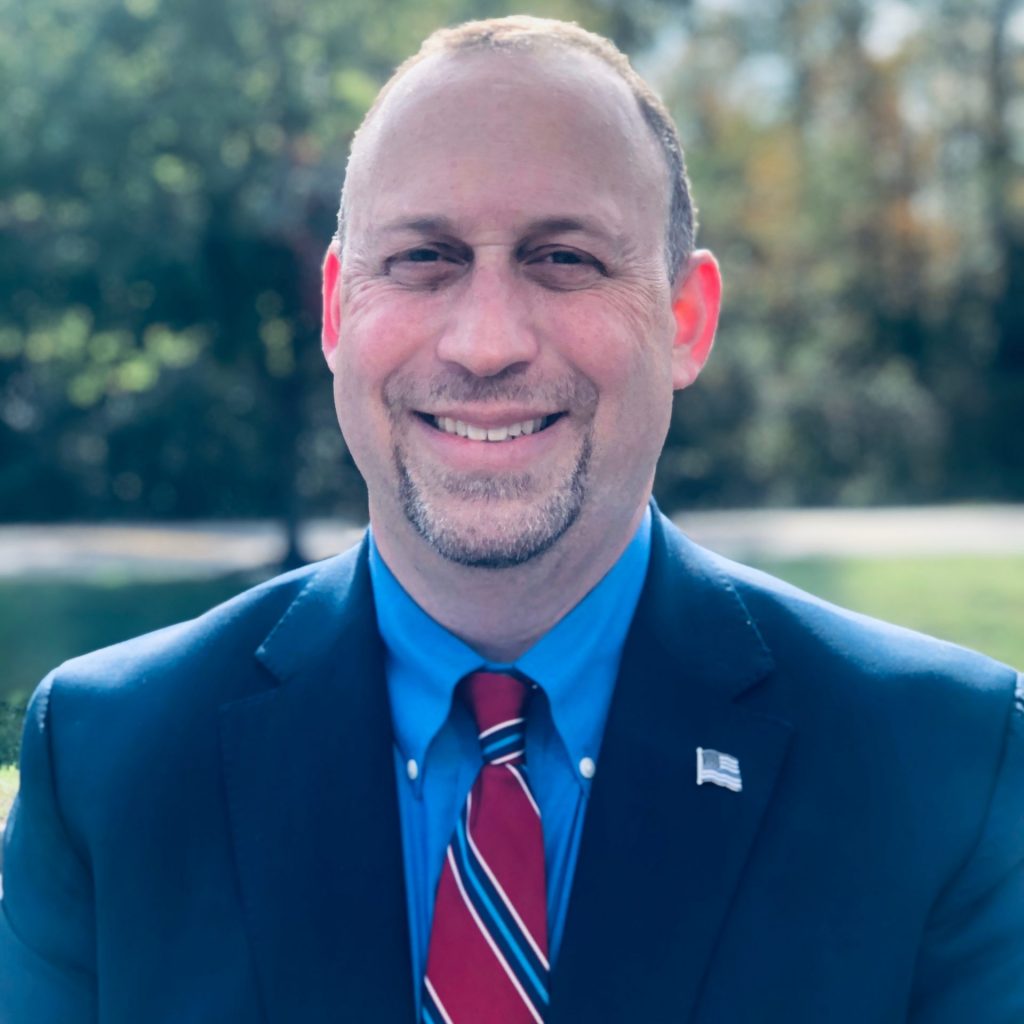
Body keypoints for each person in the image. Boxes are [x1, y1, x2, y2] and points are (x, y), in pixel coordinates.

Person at [2, 15, 1022, 1024]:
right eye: (422, 258)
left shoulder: (944, 764)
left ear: (685, 319)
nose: (485, 342)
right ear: (335, 311)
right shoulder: (105, 760)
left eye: (563, 259)